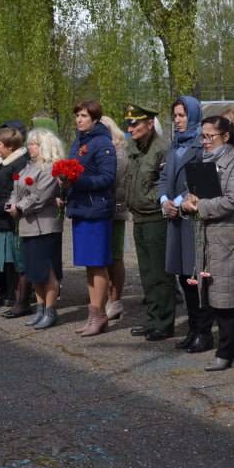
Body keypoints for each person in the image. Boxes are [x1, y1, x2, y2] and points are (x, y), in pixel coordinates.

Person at [182, 115, 234, 371]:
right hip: (211, 236)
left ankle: (225, 351)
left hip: (229, 237)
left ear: (226, 136)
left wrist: (201, 206)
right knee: (218, 294)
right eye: (203, 136)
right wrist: (189, 201)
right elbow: (198, 192)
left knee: (226, 298)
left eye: (210, 136)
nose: (205, 141)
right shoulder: (206, 162)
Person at [65, 100, 119, 337]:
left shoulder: (103, 143)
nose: (79, 119)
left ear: (95, 119)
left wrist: (79, 181)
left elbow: (108, 178)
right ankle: (94, 313)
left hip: (96, 209)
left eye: (84, 115)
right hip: (80, 207)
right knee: (89, 263)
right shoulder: (78, 142)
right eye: (77, 115)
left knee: (97, 263)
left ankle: (99, 314)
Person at [159, 95, 207, 352]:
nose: (177, 120)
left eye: (182, 115)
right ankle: (192, 328)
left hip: (191, 218)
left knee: (194, 275)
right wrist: (164, 199)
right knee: (181, 274)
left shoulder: (201, 144)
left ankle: (203, 330)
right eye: (175, 115)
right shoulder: (175, 144)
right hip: (175, 219)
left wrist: (177, 202)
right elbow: (164, 176)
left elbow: (199, 182)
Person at [7, 128, 64, 329]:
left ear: (45, 146)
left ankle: (51, 310)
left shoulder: (50, 168)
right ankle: (40, 308)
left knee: (47, 272)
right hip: (27, 225)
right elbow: (16, 189)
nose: (29, 147)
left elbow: (41, 195)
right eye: (29, 143)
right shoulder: (28, 167)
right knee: (34, 271)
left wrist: (20, 207)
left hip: (44, 226)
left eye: (34, 144)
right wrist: (11, 204)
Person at [124, 104, 172, 340]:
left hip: (155, 217)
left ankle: (164, 322)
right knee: (146, 273)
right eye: (129, 124)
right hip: (139, 217)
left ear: (150, 124)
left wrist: (150, 199)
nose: (130, 127)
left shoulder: (162, 149)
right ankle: (153, 318)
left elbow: (165, 182)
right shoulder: (135, 147)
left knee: (160, 273)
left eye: (135, 123)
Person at [0, 126, 30, 317]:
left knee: (16, 259)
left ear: (10, 146)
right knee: (7, 259)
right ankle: (10, 293)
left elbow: (15, 192)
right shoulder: (0, 163)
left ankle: (20, 298)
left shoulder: (18, 164)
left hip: (11, 219)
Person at [100, 116, 129, 322]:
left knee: (115, 256)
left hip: (114, 210)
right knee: (104, 256)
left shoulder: (118, 152)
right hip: (100, 210)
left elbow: (114, 180)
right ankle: (106, 297)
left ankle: (116, 299)